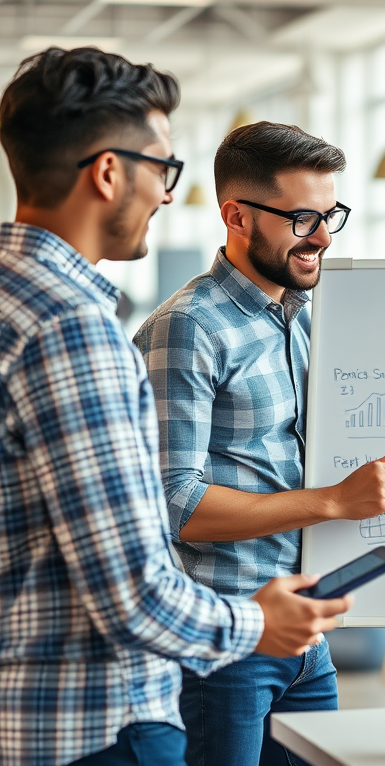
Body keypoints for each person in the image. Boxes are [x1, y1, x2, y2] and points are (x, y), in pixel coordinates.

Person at [0, 48, 353, 766]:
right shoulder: (72, 330)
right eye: (162, 168)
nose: (166, 194)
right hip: (104, 721)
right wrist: (253, 623)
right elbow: (135, 591)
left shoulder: (18, 299)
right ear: (107, 172)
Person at [133, 120, 385, 765]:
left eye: (331, 214)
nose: (324, 236)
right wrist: (331, 501)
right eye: (304, 218)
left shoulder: (306, 313)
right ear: (236, 216)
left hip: (309, 635)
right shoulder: (188, 329)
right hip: (229, 645)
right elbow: (174, 504)